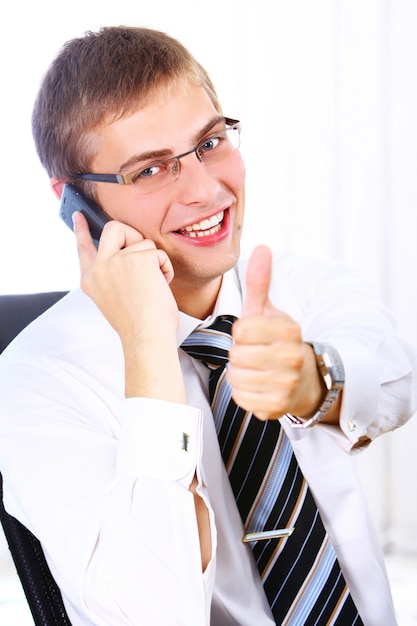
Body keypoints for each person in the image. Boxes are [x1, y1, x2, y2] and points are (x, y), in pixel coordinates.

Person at [0, 26, 415, 626]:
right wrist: (149, 348)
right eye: (149, 171)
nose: (206, 188)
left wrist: (312, 382)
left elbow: (398, 382)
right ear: (75, 203)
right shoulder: (31, 382)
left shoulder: (302, 287)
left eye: (211, 142)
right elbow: (153, 610)